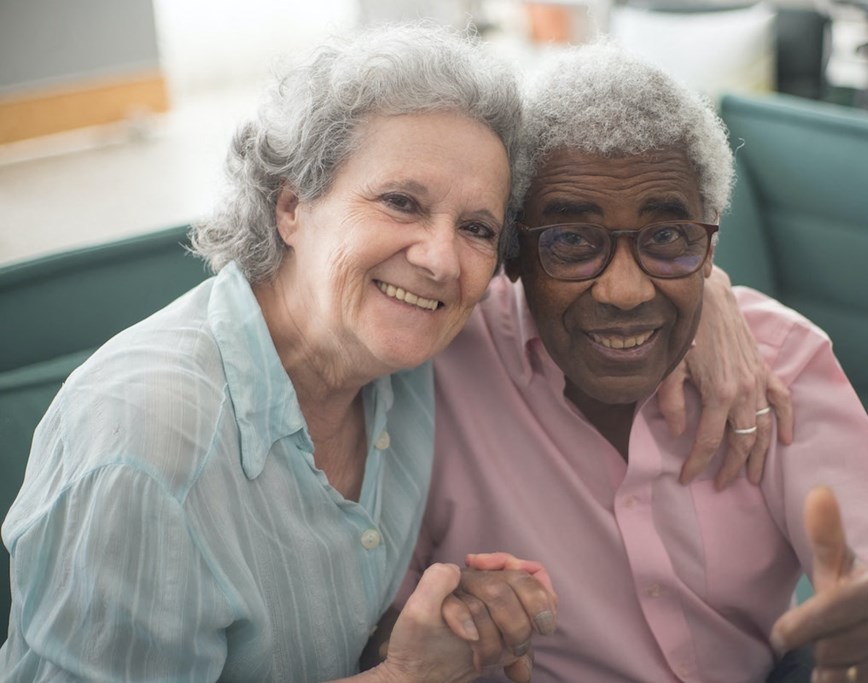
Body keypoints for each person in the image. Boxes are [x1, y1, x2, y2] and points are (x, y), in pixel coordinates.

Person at [0, 25, 785, 683]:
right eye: (401, 202)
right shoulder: (147, 449)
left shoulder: (407, 356)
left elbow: (599, 283)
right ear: (293, 206)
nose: (441, 260)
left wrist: (711, 295)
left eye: (477, 227)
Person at [397, 43, 868, 682]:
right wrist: (453, 616)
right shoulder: (438, 356)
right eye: (572, 241)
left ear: (710, 240)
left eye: (666, 237)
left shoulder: (780, 359)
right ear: (513, 253)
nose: (625, 291)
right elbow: (381, 629)